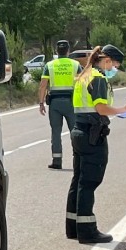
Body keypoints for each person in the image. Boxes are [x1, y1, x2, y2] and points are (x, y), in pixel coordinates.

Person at [66, 44, 126, 244]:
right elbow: (101, 108)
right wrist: (125, 109)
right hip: (92, 135)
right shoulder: (98, 78)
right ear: (106, 61)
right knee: (89, 182)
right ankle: (87, 231)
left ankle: (73, 228)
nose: (114, 69)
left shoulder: (84, 76)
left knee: (78, 180)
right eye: (115, 65)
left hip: (79, 131)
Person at [38, 40, 81, 169]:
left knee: (55, 132)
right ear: (68, 50)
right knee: (75, 131)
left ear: (57, 51)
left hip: (55, 103)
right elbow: (81, 83)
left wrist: (41, 103)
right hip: (71, 102)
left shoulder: (50, 65)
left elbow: (43, 85)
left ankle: (57, 161)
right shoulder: (75, 64)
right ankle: (77, 160)